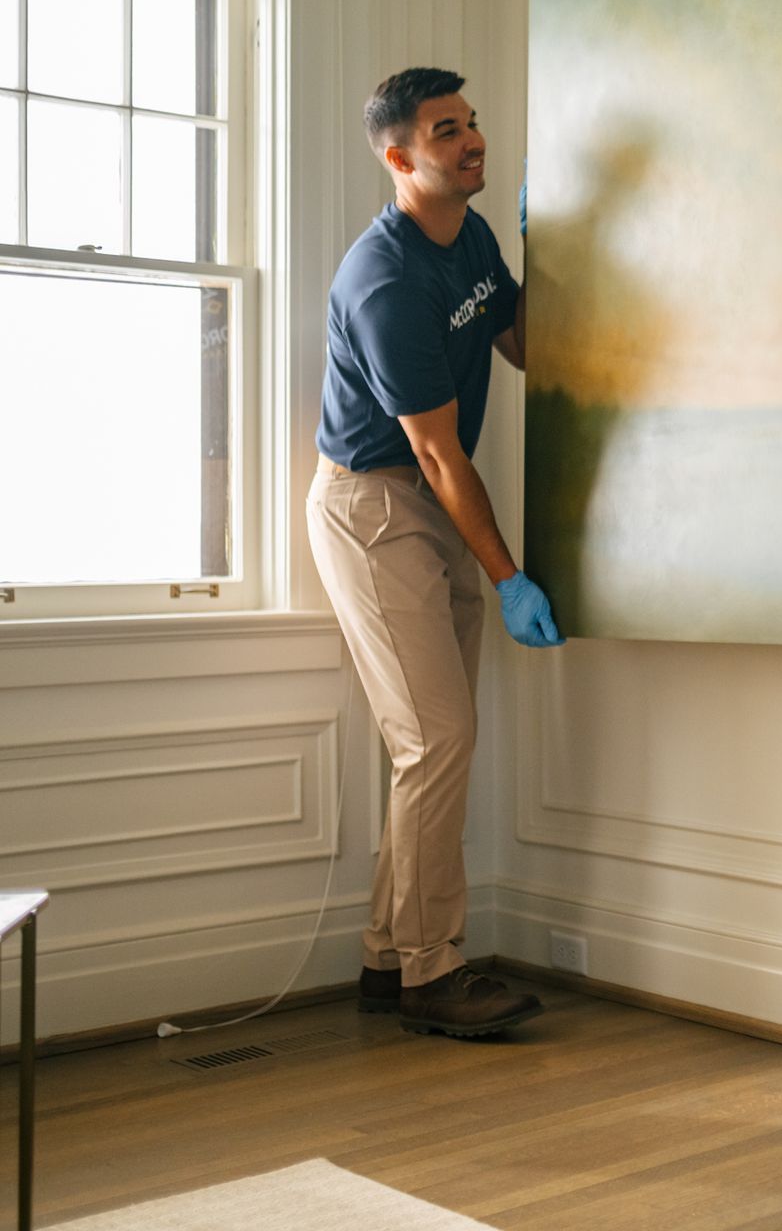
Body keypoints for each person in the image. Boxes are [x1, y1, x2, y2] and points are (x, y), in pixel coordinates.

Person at [309, 67, 562, 1038]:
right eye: (445, 131)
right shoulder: (385, 281)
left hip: (433, 501)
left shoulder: (474, 238)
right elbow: (435, 448)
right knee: (437, 738)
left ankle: (387, 956)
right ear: (398, 156)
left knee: (435, 742)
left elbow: (526, 348)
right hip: (374, 506)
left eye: (472, 123)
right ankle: (431, 972)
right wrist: (508, 575)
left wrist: (547, 257)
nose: (472, 142)